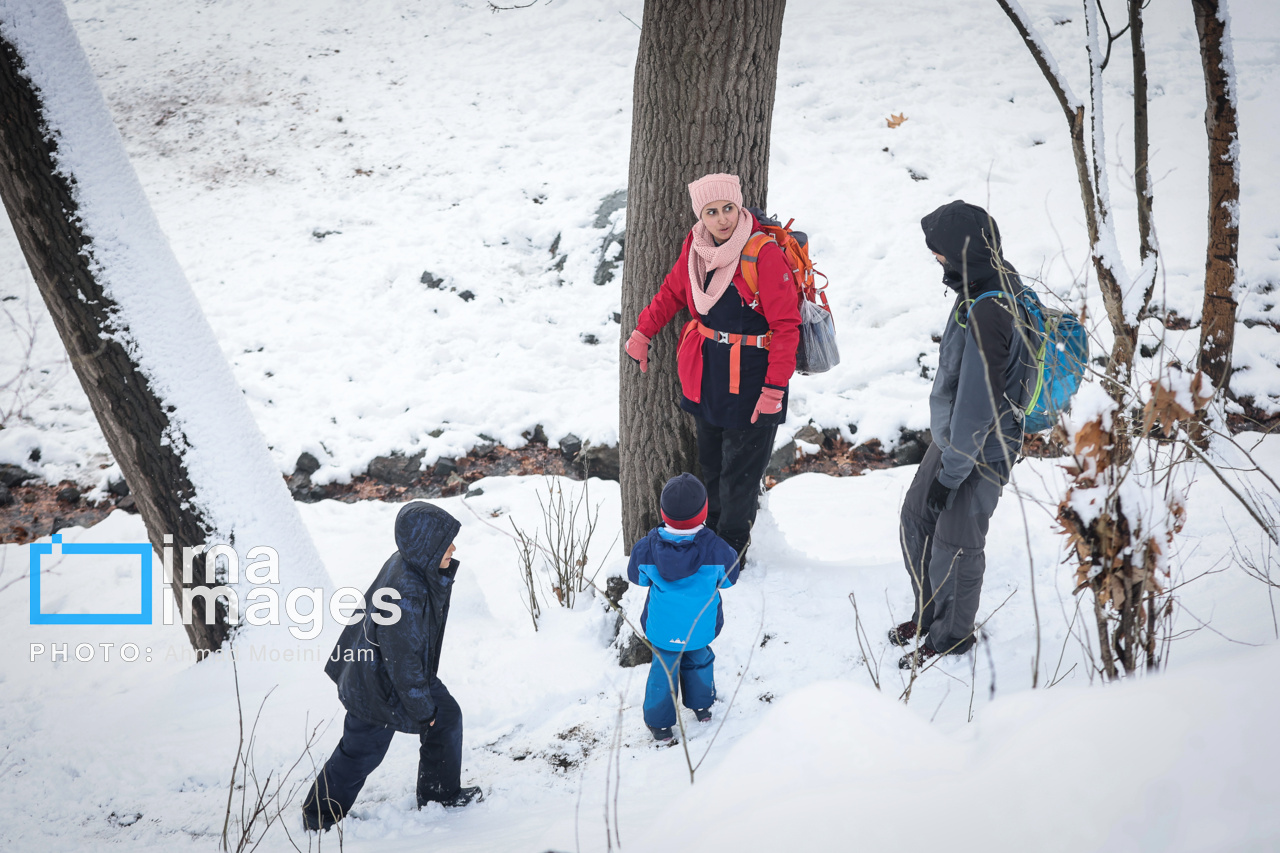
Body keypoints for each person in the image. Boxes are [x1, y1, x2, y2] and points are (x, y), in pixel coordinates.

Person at [625, 173, 801, 566]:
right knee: (712, 465)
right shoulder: (696, 247)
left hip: (755, 380)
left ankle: (730, 556)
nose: (722, 219)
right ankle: (712, 545)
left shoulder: (762, 254)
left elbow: (787, 327)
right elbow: (672, 292)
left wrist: (774, 390)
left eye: (728, 209)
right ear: (700, 215)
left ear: (739, 207)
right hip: (707, 375)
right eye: (711, 211)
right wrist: (643, 331)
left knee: (739, 478)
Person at [890, 200, 1034, 670]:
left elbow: (978, 408)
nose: (937, 261)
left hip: (984, 445)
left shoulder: (990, 314)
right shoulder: (983, 276)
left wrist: (950, 477)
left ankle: (952, 637)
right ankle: (929, 614)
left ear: (963, 254)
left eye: (941, 254)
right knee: (917, 515)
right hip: (955, 437)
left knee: (957, 540)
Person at [302, 501, 482, 832]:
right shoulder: (407, 592)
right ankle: (319, 815)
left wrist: (428, 706)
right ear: (426, 547)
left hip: (389, 674)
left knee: (446, 718)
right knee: (360, 752)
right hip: (377, 687)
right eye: (445, 543)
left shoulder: (410, 562)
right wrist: (423, 707)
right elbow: (404, 660)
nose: (453, 548)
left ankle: (440, 794)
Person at [627, 473, 741, 741]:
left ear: (663, 512)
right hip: (700, 626)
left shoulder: (646, 548)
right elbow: (729, 579)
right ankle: (702, 706)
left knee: (663, 671)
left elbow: (637, 577)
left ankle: (660, 723)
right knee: (699, 660)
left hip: (662, 628)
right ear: (703, 512)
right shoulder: (716, 549)